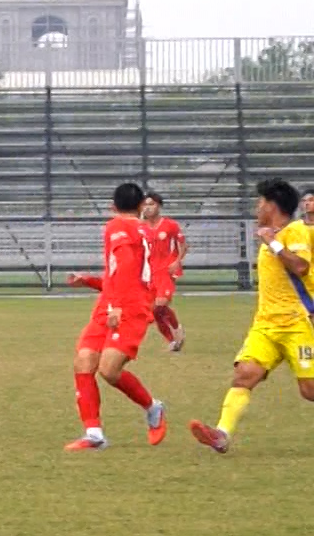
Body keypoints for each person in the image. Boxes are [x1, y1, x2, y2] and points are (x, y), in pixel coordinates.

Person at [189, 179, 314, 454]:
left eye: (260, 203)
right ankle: (221, 435)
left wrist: (274, 243)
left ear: (272, 206)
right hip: (266, 324)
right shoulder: (270, 234)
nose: (257, 208)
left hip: (298, 323)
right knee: (245, 374)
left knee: (310, 390)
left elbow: (301, 267)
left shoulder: (294, 232)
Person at [64, 182, 167, 451]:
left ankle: (152, 407)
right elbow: (119, 275)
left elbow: (126, 267)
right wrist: (88, 281)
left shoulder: (117, 226)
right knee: (84, 360)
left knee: (109, 370)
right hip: (110, 305)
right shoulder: (144, 230)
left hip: (128, 309)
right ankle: (94, 434)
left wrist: (117, 306)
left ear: (112, 206)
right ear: (141, 205)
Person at [141, 191, 187, 351]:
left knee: (160, 305)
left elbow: (183, 245)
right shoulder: (140, 227)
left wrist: (177, 261)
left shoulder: (170, 225)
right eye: (145, 205)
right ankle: (172, 341)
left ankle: (177, 328)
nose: (148, 208)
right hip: (148, 274)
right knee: (155, 312)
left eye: (151, 204)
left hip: (165, 271)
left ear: (159, 206)